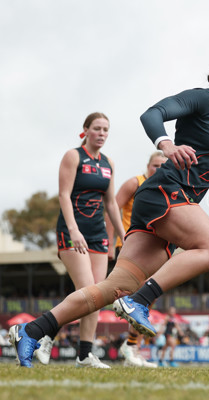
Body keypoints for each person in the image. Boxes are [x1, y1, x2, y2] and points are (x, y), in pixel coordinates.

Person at [8, 45, 209, 368]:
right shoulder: (202, 99)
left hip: (172, 202)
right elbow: (152, 114)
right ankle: (140, 301)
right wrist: (166, 144)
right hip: (165, 192)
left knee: (112, 287)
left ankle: (32, 330)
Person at [10, 112, 127, 368]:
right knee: (87, 289)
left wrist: (122, 235)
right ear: (85, 130)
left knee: (98, 294)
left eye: (106, 129)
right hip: (73, 231)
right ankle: (40, 334)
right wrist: (74, 230)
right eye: (97, 128)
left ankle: (84, 354)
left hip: (98, 235)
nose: (102, 133)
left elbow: (111, 203)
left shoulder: (108, 163)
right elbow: (64, 195)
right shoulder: (73, 156)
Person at [106, 151, 168, 368]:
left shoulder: (165, 186)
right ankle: (129, 347)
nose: (158, 169)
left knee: (145, 299)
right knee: (127, 295)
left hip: (152, 247)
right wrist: (109, 240)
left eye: (163, 166)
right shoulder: (135, 183)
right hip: (129, 245)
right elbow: (112, 207)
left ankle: (132, 347)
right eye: (155, 165)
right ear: (147, 165)